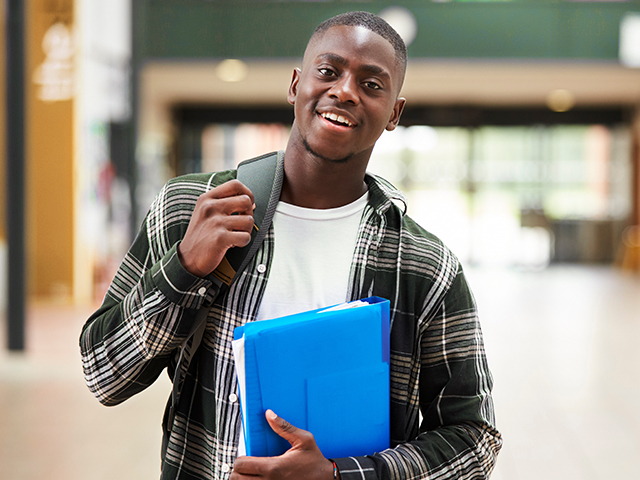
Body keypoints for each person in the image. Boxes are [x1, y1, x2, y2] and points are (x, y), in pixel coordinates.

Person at [80, 10, 502, 480]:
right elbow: (104, 374)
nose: (344, 90)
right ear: (295, 85)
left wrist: (343, 475)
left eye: (372, 84)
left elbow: (474, 440)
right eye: (328, 71)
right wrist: (184, 269)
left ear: (394, 115)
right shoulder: (192, 208)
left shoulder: (425, 265)